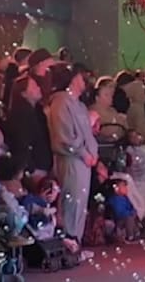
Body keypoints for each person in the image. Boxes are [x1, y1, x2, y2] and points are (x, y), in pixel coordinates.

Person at [45, 62, 99, 241]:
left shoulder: (78, 104)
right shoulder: (61, 102)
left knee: (79, 203)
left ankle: (76, 242)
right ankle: (69, 242)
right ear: (74, 78)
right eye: (81, 76)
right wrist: (85, 153)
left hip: (83, 161)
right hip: (72, 159)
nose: (85, 80)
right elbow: (64, 136)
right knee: (72, 203)